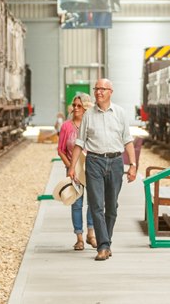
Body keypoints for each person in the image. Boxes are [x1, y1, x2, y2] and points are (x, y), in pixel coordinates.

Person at [68, 79, 136, 261]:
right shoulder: (88, 115)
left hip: (115, 162)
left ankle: (107, 241)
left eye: (102, 89)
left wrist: (133, 165)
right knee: (96, 205)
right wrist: (72, 167)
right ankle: (103, 246)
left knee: (112, 207)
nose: (98, 92)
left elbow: (128, 140)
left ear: (110, 91)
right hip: (94, 162)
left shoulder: (120, 113)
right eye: (96, 89)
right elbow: (79, 142)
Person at [57, 93, 96, 250]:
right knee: (76, 204)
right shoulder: (66, 126)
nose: (75, 108)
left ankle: (91, 234)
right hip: (73, 169)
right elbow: (60, 150)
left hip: (92, 168)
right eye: (74, 105)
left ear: (86, 107)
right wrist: (69, 168)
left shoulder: (92, 124)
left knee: (93, 203)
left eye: (79, 106)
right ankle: (79, 237)